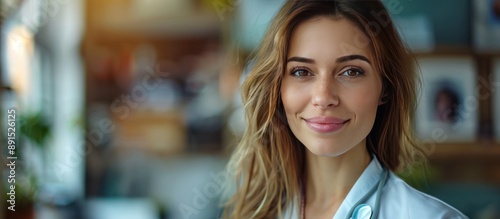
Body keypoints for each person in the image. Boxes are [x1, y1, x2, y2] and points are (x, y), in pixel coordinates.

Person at [222, 1, 468, 218]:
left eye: (351, 72)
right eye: (301, 72)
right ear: (277, 88)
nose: (323, 97)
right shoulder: (255, 212)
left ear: (385, 88)